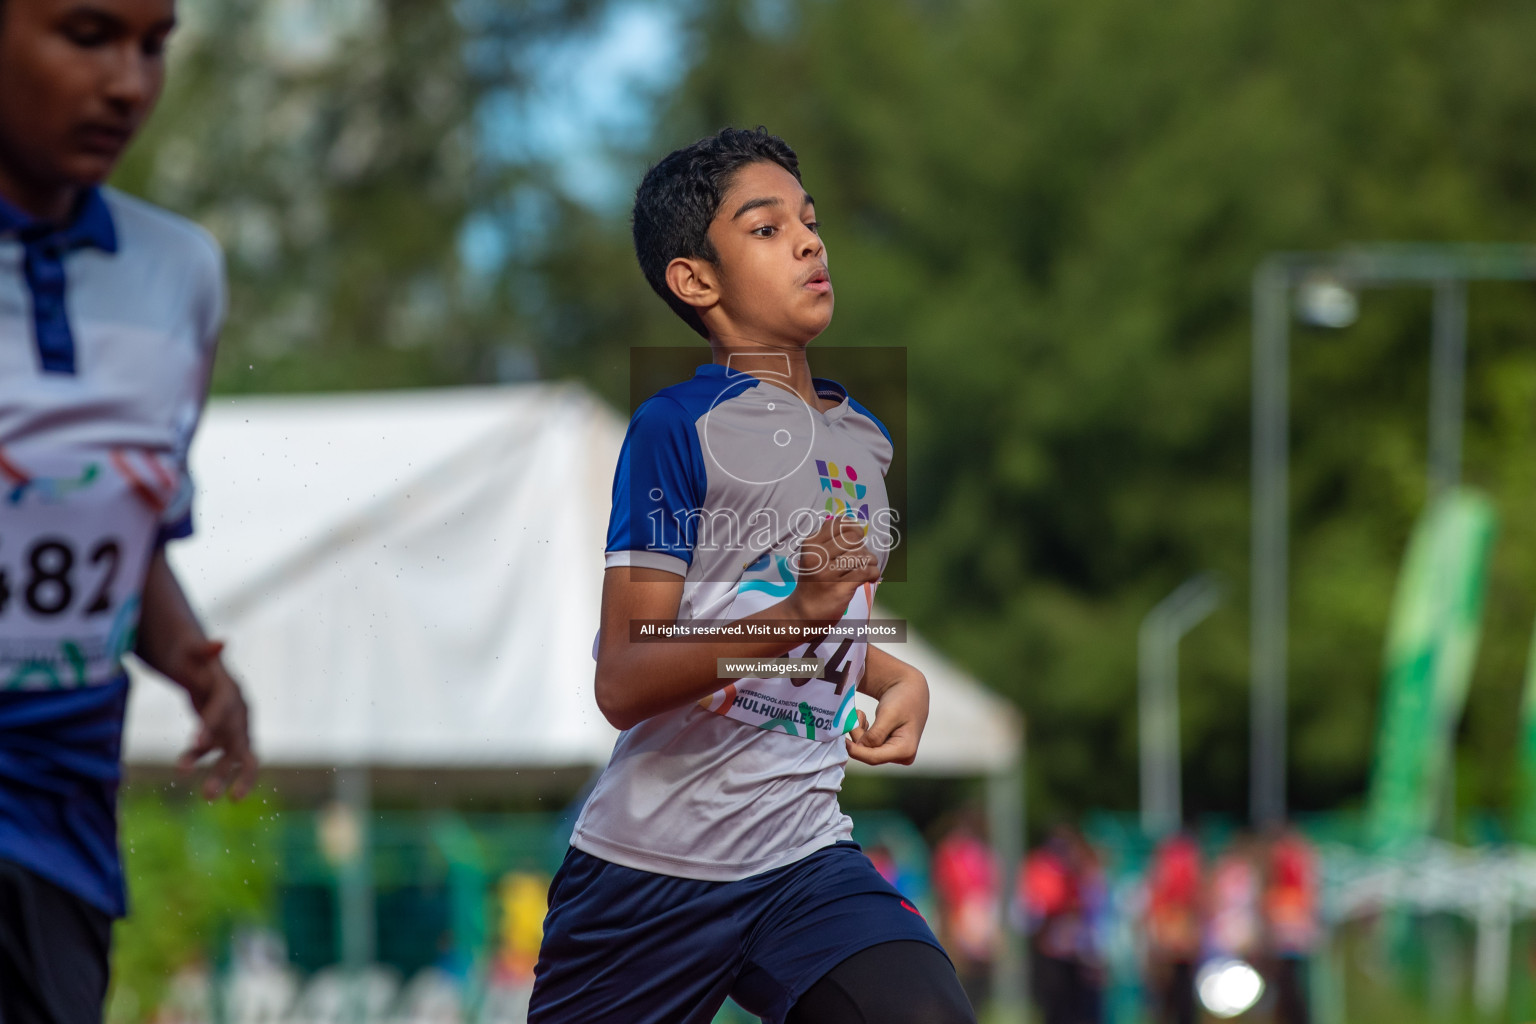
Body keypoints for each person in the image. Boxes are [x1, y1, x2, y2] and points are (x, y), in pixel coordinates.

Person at [528, 127, 974, 1024]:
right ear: (696, 281)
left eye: (809, 222)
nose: (811, 242)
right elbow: (624, 677)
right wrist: (803, 610)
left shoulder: (866, 438)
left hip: (804, 856)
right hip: (650, 873)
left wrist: (896, 675)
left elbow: (801, 612)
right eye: (767, 230)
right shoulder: (674, 429)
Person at [0, 1, 257, 1020]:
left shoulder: (179, 273)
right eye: (86, 33)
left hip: (61, 798)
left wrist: (196, 659)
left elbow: (124, 525)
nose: (128, 83)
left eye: (153, 45)